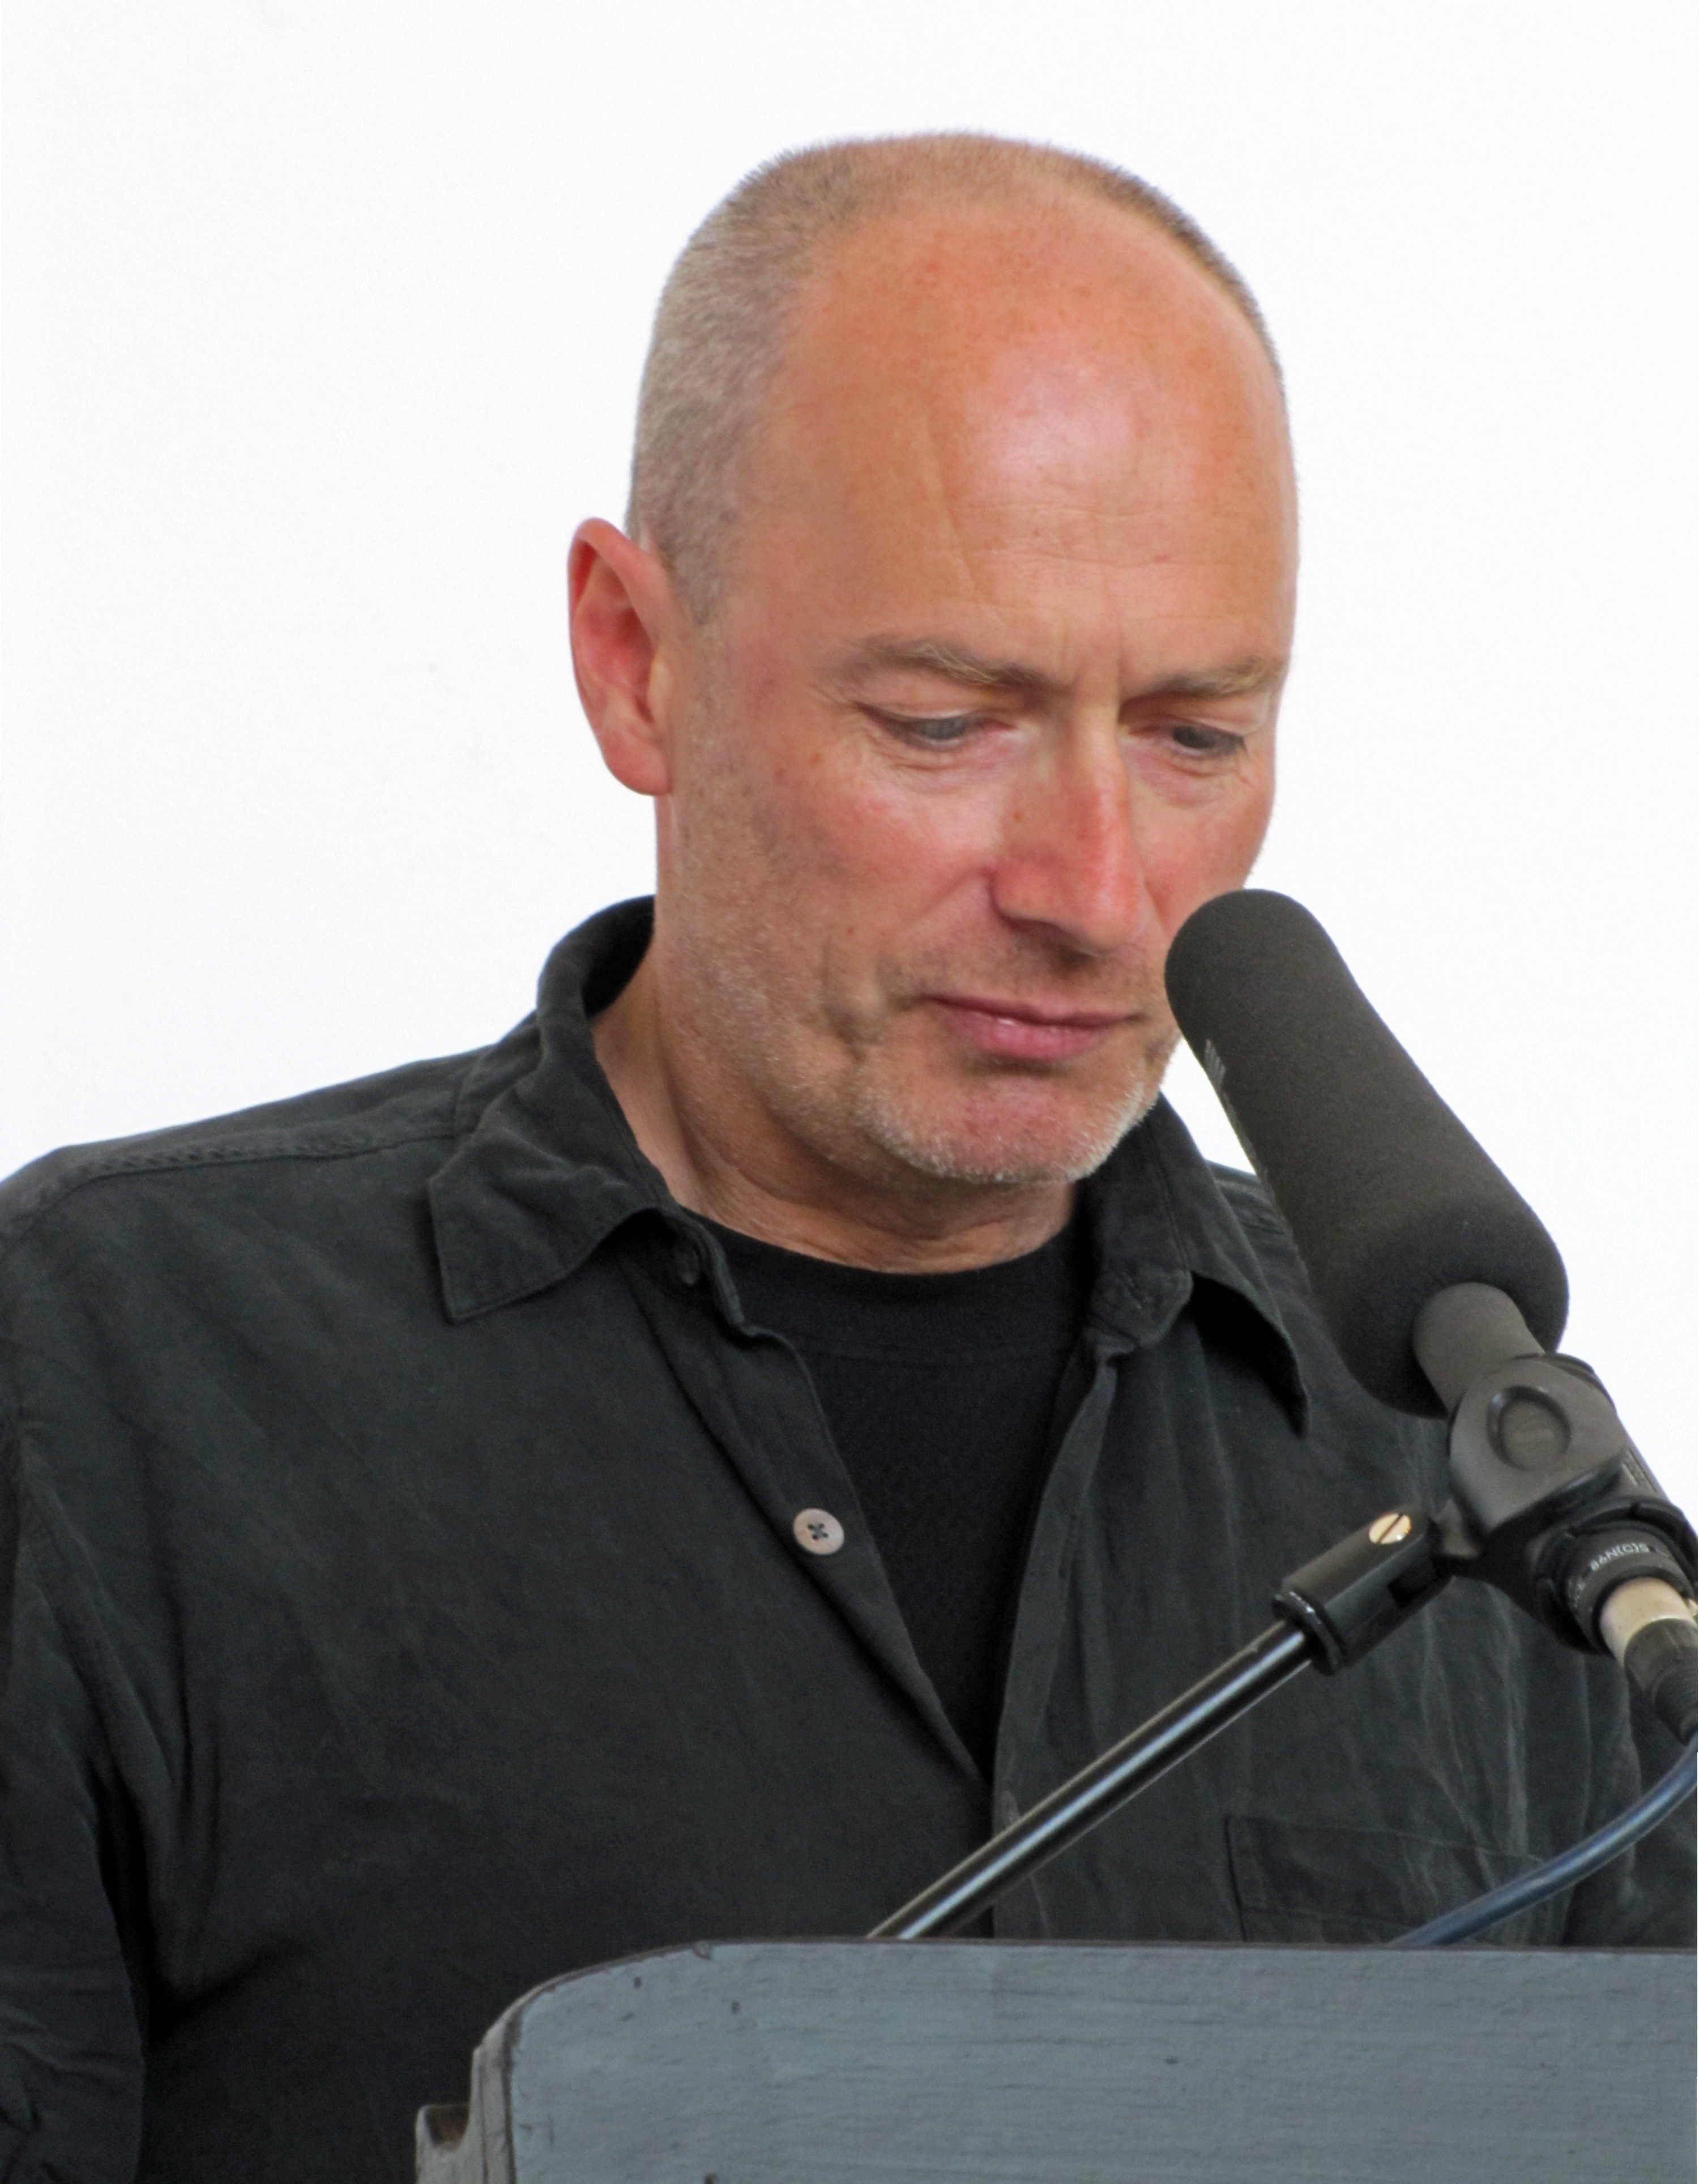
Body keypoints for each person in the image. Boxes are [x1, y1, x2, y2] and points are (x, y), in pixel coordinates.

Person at [0, 134, 1688, 2184]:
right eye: (944, 723)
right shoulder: (107, 1381)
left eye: (1196, 734)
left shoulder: (1465, 1461)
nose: (1097, 894)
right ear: (636, 660)